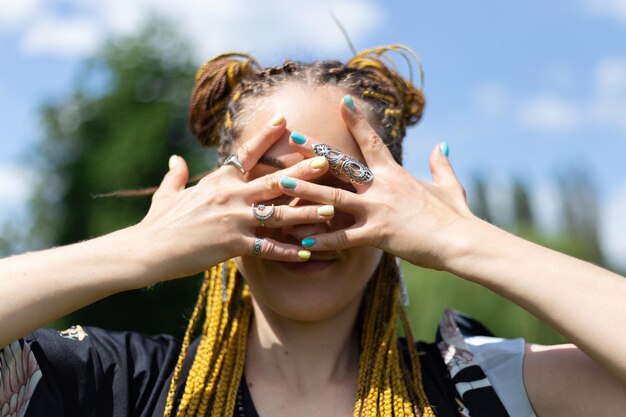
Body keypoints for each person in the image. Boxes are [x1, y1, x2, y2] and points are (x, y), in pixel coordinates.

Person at [1, 45, 625, 417]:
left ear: (402, 210)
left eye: (340, 185)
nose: (308, 216)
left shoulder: (482, 386)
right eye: (274, 188)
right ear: (215, 205)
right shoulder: (115, 383)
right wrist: (138, 251)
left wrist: (464, 241)